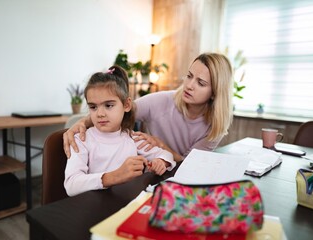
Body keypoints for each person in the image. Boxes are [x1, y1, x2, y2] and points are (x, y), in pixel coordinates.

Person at [63, 52, 233, 163]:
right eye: (189, 76)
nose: (189, 85)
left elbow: (189, 165)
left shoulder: (215, 127)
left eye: (200, 83)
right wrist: (83, 123)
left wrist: (162, 146)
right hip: (152, 172)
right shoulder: (161, 101)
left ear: (214, 92)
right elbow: (119, 110)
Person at [64, 66, 176, 197]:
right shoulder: (81, 140)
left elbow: (167, 155)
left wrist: (161, 162)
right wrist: (113, 177)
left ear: (126, 105)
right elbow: (71, 184)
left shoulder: (132, 138)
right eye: (93, 107)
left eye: (108, 105)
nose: (100, 114)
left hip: (126, 204)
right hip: (94, 207)